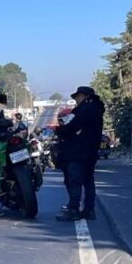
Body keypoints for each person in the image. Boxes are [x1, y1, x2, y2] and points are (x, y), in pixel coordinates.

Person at [55, 85, 105, 221]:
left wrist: (60, 131)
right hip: (89, 152)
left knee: (74, 181)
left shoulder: (86, 109)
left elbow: (73, 126)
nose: (76, 99)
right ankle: (89, 210)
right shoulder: (96, 109)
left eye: (78, 96)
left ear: (86, 96)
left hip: (77, 152)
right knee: (88, 181)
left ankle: (73, 210)